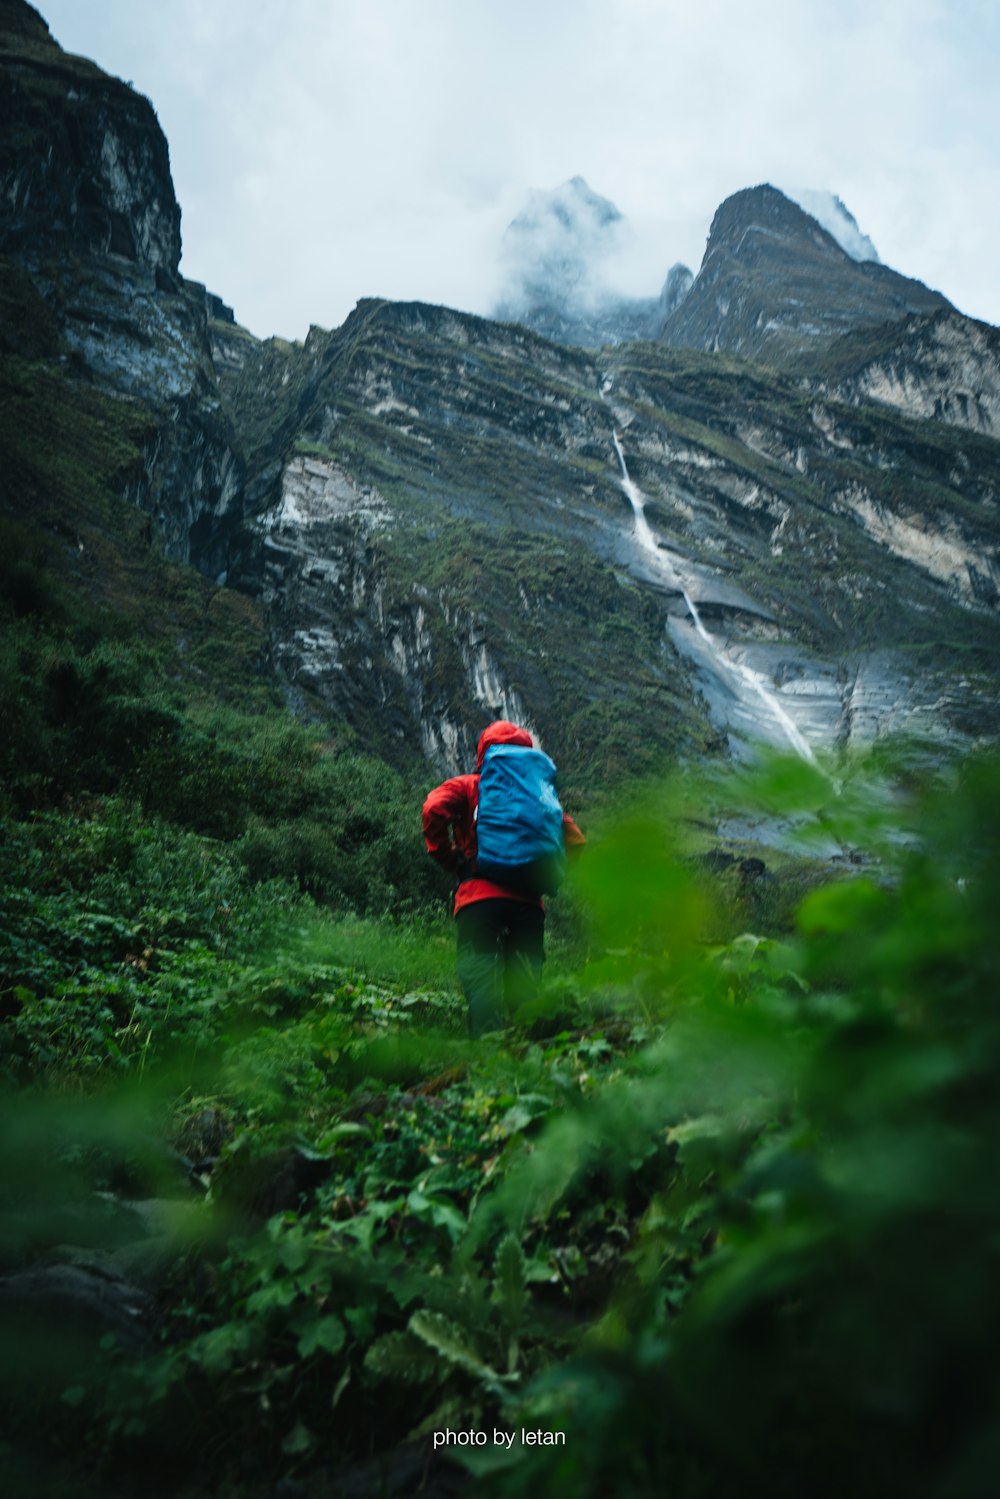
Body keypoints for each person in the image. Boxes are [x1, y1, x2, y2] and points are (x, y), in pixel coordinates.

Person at [421, 720, 585, 1036]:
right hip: (528, 905)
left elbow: (432, 809)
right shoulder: (541, 799)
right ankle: (531, 1057)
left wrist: (450, 857)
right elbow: (576, 841)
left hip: (479, 900)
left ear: (484, 753)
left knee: (480, 978)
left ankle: (486, 1057)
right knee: (525, 987)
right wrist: (550, 873)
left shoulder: (470, 786)